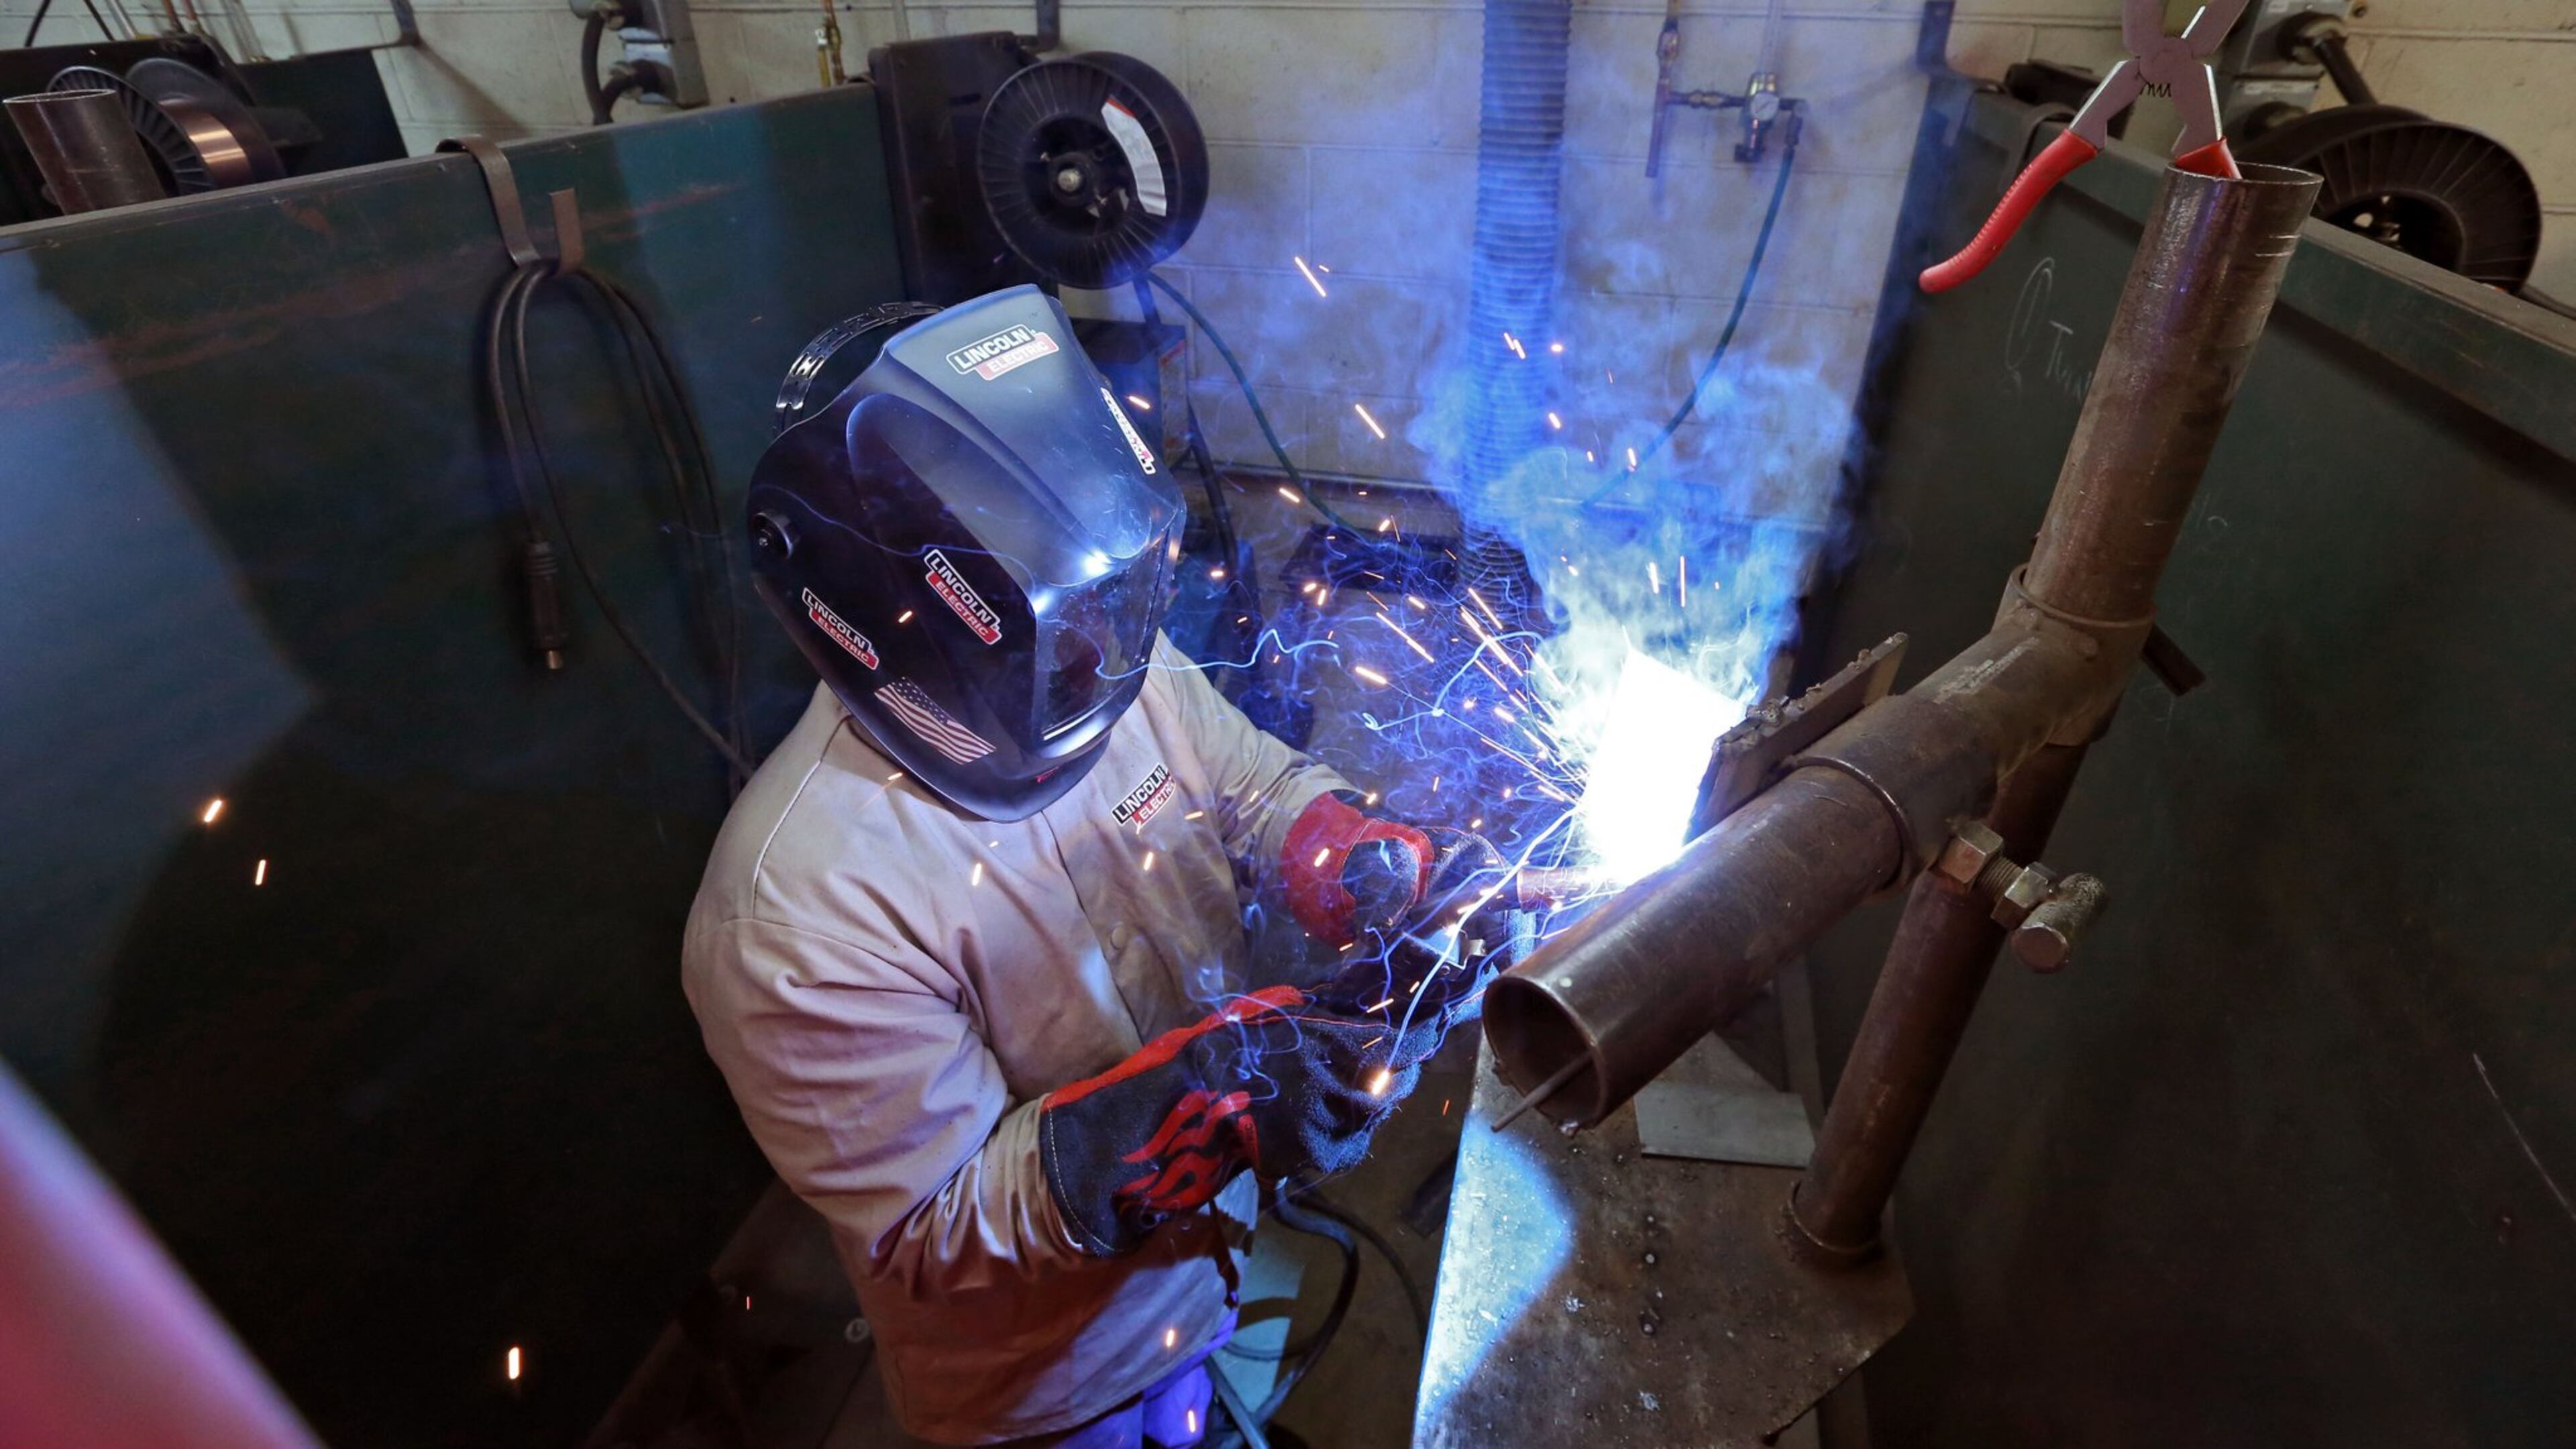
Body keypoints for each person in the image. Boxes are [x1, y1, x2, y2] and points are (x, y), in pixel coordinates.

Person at [682, 287, 1483, 1447]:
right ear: (912, 624)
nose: (1114, 654)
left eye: (1113, 608)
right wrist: (1215, 1103)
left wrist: (1351, 854)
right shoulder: (799, 915)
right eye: (1070, 630)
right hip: (1046, 1386)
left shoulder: (1096, 656)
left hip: (1204, 1279)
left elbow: (1248, 784)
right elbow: (936, 1228)